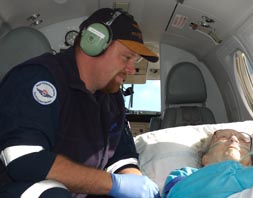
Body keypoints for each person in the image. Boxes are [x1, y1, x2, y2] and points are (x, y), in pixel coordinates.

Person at [0, 8, 160, 198]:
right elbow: (25, 161)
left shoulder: (113, 99)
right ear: (93, 43)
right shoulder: (38, 78)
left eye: (135, 60)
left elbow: (122, 157)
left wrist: (134, 184)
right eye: (126, 57)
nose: (132, 69)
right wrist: (113, 184)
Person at [162, 129, 253, 198]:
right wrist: (252, 176)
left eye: (242, 139)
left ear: (251, 159)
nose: (234, 139)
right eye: (222, 137)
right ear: (205, 158)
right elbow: (178, 195)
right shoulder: (186, 175)